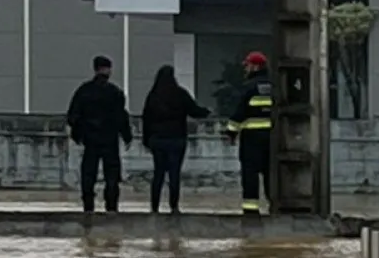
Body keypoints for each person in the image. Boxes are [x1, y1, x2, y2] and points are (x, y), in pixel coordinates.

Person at [65, 55, 132, 213]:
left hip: (90, 138)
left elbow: (73, 115)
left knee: (88, 173)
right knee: (112, 174)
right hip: (109, 139)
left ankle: (88, 204)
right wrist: (126, 135)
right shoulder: (114, 92)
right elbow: (121, 116)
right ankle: (111, 205)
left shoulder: (84, 91)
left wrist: (78, 133)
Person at [139, 64, 209, 214]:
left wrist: (146, 140)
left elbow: (146, 119)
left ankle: (154, 206)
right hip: (176, 139)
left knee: (158, 173)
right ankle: (174, 206)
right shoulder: (180, 94)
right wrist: (206, 112)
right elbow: (194, 110)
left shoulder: (153, 96)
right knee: (174, 173)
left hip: (157, 140)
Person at [225, 52, 275, 212]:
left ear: (256, 67)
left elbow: (239, 113)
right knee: (271, 174)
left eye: (247, 65)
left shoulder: (248, 87)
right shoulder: (275, 86)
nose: (245, 69)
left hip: (251, 140)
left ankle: (251, 210)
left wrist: (231, 133)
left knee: (250, 174)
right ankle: (275, 206)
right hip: (273, 138)